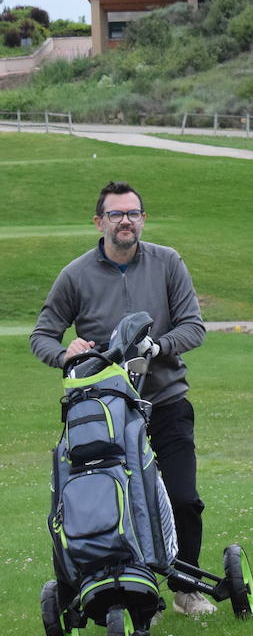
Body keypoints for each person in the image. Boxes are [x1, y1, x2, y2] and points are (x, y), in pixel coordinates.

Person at [31, 181, 215, 613]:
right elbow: (42, 335)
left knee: (183, 499)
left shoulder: (168, 262)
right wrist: (65, 353)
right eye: (116, 214)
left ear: (143, 219)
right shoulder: (76, 274)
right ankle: (114, 585)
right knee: (109, 500)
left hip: (166, 402)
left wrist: (157, 347)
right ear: (99, 222)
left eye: (133, 213)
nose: (126, 221)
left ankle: (186, 590)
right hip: (105, 410)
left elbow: (194, 327)